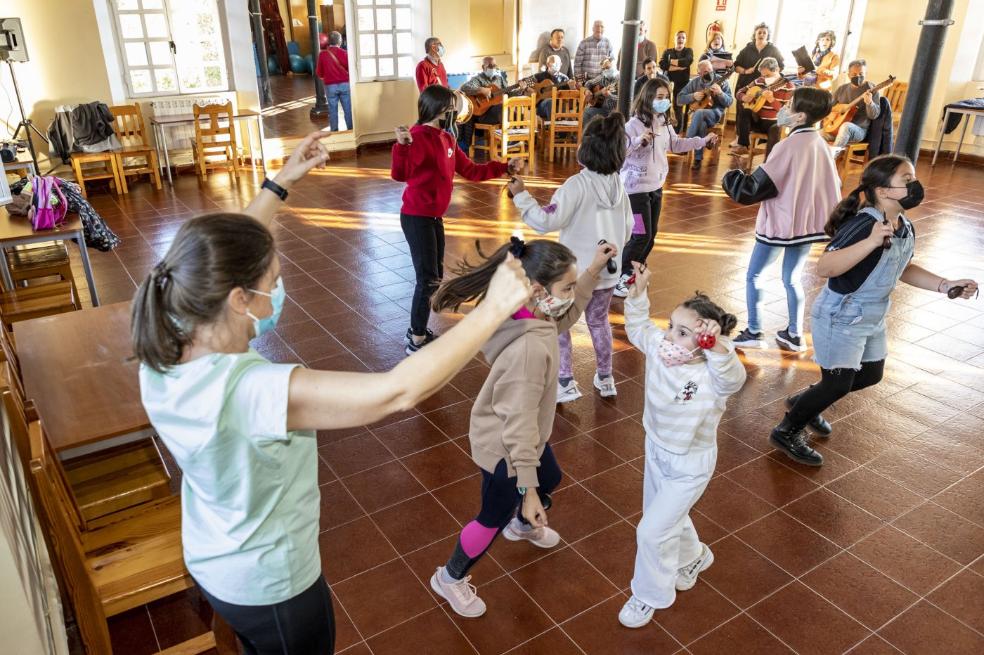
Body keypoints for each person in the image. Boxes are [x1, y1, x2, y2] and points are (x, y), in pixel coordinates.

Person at [131, 132, 533, 654]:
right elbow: (397, 392)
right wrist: (491, 309)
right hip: (272, 582)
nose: (277, 290)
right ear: (237, 299)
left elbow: (217, 255)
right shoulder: (249, 391)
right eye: (271, 281)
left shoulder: (168, 331)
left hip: (214, 557)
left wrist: (281, 182)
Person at [429, 238, 618, 617]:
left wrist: (593, 269)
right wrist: (527, 492)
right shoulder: (529, 349)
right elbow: (517, 426)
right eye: (565, 286)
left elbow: (566, 315)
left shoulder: (529, 312)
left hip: (524, 435)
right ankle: (449, 578)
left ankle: (522, 524)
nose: (569, 294)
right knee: (491, 517)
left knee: (551, 476)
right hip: (507, 446)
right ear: (538, 289)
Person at [770, 154, 978, 466]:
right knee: (838, 382)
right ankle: (788, 429)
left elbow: (902, 267)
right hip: (842, 315)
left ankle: (805, 402)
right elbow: (825, 267)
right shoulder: (863, 225)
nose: (914, 184)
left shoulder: (904, 225)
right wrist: (869, 243)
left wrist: (945, 284)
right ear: (883, 191)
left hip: (872, 314)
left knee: (869, 374)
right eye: (906, 180)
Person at [618, 269, 746, 628]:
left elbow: (734, 378)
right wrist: (638, 293)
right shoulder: (661, 349)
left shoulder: (712, 375)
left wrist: (719, 348)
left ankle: (649, 595)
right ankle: (694, 557)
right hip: (655, 449)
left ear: (706, 341)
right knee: (665, 514)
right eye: (672, 326)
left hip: (691, 463)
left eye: (684, 333)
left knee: (650, 530)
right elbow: (638, 326)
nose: (670, 336)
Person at [508, 113, 634, 402]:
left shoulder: (576, 185)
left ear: (586, 147)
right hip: (606, 272)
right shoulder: (619, 187)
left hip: (572, 275)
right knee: (599, 322)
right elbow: (627, 231)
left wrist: (521, 195)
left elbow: (546, 221)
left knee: (560, 324)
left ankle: (564, 380)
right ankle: (606, 378)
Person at [392, 85, 524, 355]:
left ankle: (417, 329)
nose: (458, 112)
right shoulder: (416, 136)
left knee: (435, 275)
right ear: (439, 110)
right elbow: (400, 174)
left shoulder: (448, 139)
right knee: (427, 279)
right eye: (453, 108)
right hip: (417, 216)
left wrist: (504, 166)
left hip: (433, 216)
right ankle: (415, 338)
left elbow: (472, 171)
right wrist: (402, 146)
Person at [722, 88, 840, 352]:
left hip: (780, 224)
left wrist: (733, 172)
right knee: (792, 279)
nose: (782, 107)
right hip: (807, 226)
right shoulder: (821, 144)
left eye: (789, 104)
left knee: (755, 275)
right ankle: (795, 334)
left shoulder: (787, 146)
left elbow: (753, 188)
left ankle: (754, 330)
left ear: (799, 116)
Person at [613, 79, 715, 298]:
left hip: (655, 187)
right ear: (648, 98)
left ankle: (634, 270)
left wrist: (702, 141)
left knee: (651, 236)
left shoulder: (664, 122)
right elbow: (620, 155)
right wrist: (638, 142)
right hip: (634, 189)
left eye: (666, 97)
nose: (663, 101)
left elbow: (676, 145)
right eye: (659, 97)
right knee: (640, 235)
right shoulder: (632, 126)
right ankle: (621, 276)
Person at [458, 56, 531, 151]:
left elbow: (509, 94)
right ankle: (508, 139)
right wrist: (481, 89)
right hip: (482, 114)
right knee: (501, 108)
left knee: (517, 114)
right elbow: (464, 88)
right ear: (483, 67)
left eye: (494, 65)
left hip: (496, 113)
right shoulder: (478, 79)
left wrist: (521, 89)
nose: (492, 68)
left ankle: (517, 139)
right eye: (490, 65)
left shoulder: (500, 79)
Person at [677, 59, 733, 170]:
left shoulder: (722, 81)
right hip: (700, 114)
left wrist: (721, 93)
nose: (709, 73)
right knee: (701, 122)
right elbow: (679, 99)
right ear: (699, 73)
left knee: (698, 113)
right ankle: (698, 159)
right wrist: (693, 96)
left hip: (715, 114)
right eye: (705, 72)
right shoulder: (695, 82)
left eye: (710, 70)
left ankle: (685, 145)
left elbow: (730, 102)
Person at [732, 57, 793, 160]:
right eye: (762, 75)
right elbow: (739, 92)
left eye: (767, 75)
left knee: (776, 128)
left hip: (773, 123)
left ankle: (769, 162)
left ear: (777, 70)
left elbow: (787, 112)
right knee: (744, 111)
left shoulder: (788, 86)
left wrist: (772, 100)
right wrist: (744, 97)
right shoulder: (759, 81)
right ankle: (743, 145)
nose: (764, 78)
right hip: (757, 120)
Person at [733, 23, 785, 142]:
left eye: (764, 33)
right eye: (759, 32)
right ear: (755, 34)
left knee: (762, 110)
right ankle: (739, 138)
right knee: (742, 110)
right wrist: (746, 71)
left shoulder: (773, 50)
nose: (761, 34)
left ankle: (759, 139)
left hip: (765, 86)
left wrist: (770, 76)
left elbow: (780, 66)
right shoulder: (747, 49)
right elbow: (736, 66)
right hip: (746, 83)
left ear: (767, 35)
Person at [826, 59, 882, 148]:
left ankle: (831, 157)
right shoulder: (842, 89)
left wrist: (869, 103)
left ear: (866, 74)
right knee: (817, 134)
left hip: (859, 130)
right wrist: (831, 115)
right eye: (854, 75)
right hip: (836, 127)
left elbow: (874, 115)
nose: (858, 76)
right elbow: (828, 107)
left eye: (861, 74)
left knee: (846, 127)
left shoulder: (872, 90)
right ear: (848, 75)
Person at [315, 31, 352, 132]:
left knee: (332, 110)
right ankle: (350, 130)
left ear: (328, 41)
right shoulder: (345, 53)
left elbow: (319, 73)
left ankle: (334, 131)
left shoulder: (322, 55)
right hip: (345, 85)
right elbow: (351, 70)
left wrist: (327, 77)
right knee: (348, 109)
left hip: (330, 86)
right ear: (340, 41)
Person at [659, 31, 694, 129]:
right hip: (668, 82)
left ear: (685, 40)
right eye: (678, 37)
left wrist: (671, 63)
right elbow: (662, 65)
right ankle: (665, 127)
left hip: (682, 83)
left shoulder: (688, 51)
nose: (680, 39)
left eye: (683, 37)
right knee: (665, 105)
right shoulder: (667, 51)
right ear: (674, 39)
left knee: (678, 106)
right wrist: (679, 67)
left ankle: (678, 130)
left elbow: (687, 61)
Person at [534, 54, 574, 120]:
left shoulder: (565, 78)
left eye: (559, 62)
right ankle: (553, 127)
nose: (558, 64)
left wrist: (571, 88)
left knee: (563, 104)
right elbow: (530, 86)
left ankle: (561, 127)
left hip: (560, 106)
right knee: (549, 101)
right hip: (542, 106)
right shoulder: (539, 76)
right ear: (548, 64)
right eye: (554, 62)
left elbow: (569, 97)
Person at [583, 57, 620, 127]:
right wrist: (587, 90)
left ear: (613, 65)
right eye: (603, 69)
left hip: (616, 111)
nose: (605, 70)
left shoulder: (621, 78)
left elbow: (623, 99)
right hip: (604, 109)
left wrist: (610, 95)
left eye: (607, 67)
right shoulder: (603, 77)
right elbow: (589, 83)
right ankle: (589, 136)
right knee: (587, 111)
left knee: (588, 113)